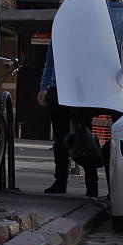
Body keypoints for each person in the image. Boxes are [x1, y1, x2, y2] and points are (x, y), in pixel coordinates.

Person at [38, 42, 99, 197]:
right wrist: (44, 87)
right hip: (66, 90)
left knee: (82, 137)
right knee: (68, 138)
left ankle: (71, 182)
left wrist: (44, 87)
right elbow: (50, 62)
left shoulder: (63, 29)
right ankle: (86, 184)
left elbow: (49, 63)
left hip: (73, 89)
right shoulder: (63, 30)